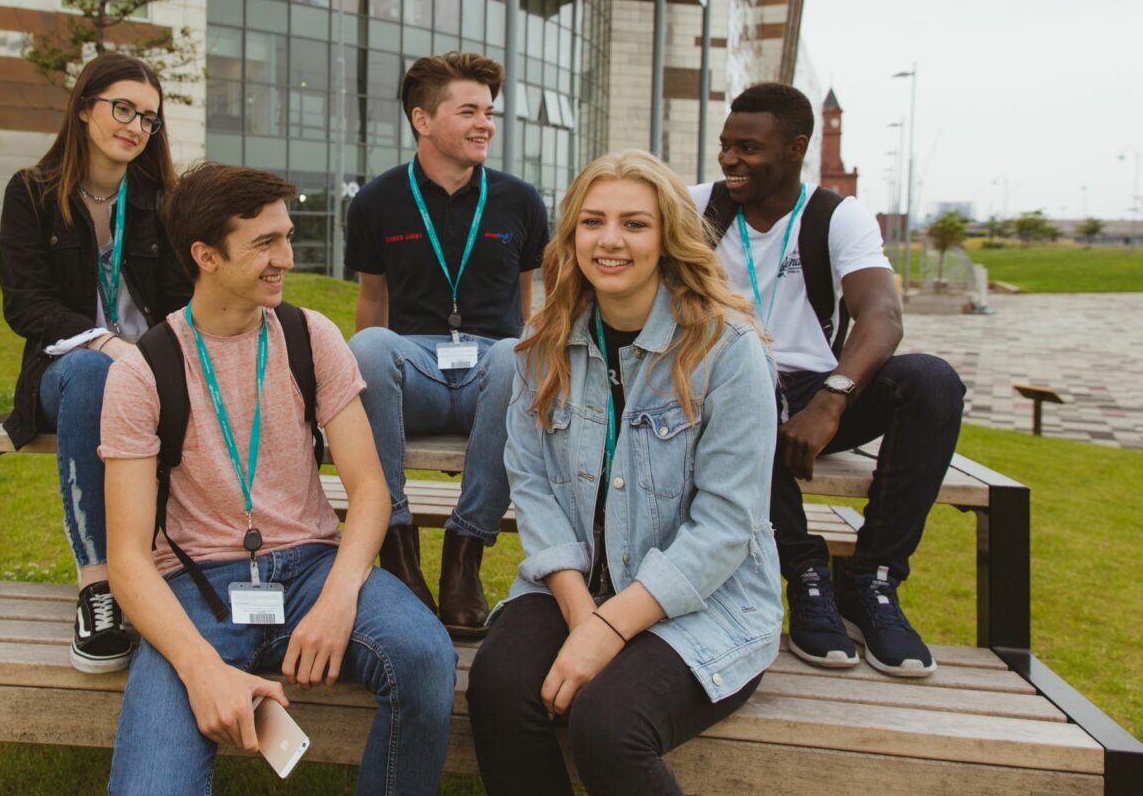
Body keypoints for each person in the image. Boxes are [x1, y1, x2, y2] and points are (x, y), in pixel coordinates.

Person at [100, 162, 456, 795]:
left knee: (426, 657)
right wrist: (201, 668)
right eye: (265, 243)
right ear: (205, 255)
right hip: (198, 588)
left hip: (312, 567)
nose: (286, 258)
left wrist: (340, 596)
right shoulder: (143, 371)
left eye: (287, 237)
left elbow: (370, 490)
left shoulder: (308, 335)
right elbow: (127, 560)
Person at [469, 151, 781, 796]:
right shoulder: (541, 345)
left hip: (704, 601)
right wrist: (585, 618)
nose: (610, 240)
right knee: (498, 684)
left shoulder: (729, 350)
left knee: (608, 723)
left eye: (634, 224)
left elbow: (727, 525)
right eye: (592, 222)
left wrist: (609, 630)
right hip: (580, 583)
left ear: (669, 237)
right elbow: (532, 490)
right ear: (572, 236)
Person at [690, 82, 966, 677]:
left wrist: (833, 401)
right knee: (745, 386)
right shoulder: (693, 210)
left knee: (932, 381)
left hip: (816, 391)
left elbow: (883, 316)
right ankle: (807, 577)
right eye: (725, 146)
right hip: (725, 389)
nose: (730, 160)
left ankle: (873, 582)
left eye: (748, 148)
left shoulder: (837, 216)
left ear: (796, 149)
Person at [0, 53, 191, 674]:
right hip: (68, 369)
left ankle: (186, 568)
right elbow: (26, 304)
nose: (135, 126)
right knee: (94, 374)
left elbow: (184, 301)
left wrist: (155, 357)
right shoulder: (32, 192)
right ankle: (98, 586)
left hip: (154, 367)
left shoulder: (162, 200)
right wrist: (101, 342)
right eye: (123, 108)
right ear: (85, 109)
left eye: (149, 119)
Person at [344, 52, 549, 634]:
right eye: (469, 111)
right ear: (423, 119)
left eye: (489, 111)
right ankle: (397, 549)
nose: (486, 122)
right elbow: (372, 304)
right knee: (369, 347)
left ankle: (465, 556)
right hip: (416, 371)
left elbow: (528, 304)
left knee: (517, 352)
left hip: (494, 368)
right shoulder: (378, 201)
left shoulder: (519, 200)